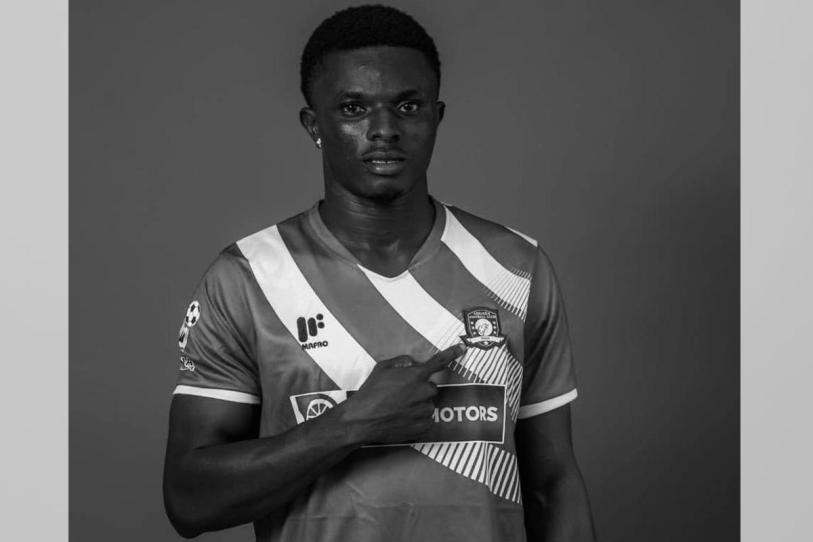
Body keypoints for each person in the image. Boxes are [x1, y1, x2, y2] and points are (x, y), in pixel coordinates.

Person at [163, 5, 596, 541]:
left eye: (408, 106)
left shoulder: (516, 268)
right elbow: (189, 500)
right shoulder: (249, 278)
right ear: (314, 125)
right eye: (353, 108)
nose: (385, 129)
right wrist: (353, 422)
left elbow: (554, 484)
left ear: (436, 117)